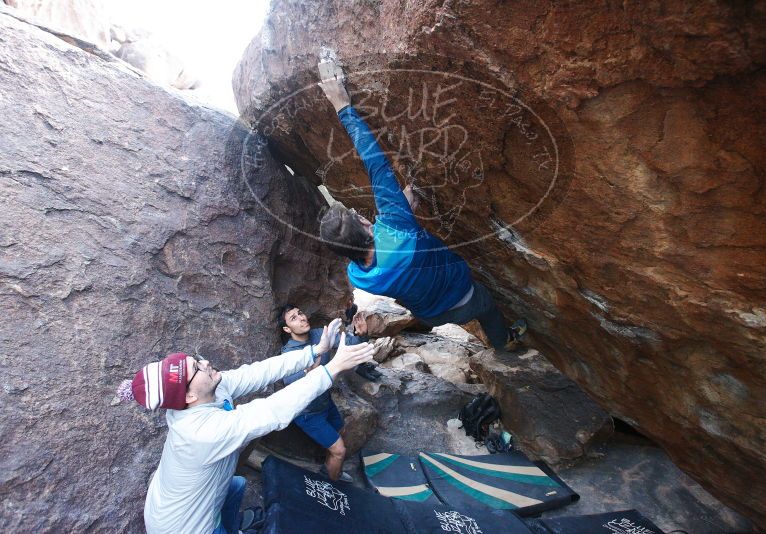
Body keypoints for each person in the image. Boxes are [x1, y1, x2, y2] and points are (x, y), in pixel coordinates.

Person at [317, 69, 526, 350]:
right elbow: (375, 163)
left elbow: (378, 246)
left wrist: (401, 213)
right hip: (465, 296)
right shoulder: (396, 224)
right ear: (366, 227)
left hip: (431, 314)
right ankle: (506, 342)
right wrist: (342, 107)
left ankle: (497, 342)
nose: (365, 217)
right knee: (487, 307)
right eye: (359, 217)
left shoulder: (358, 275)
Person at [116, 318, 375, 534]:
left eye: (195, 359)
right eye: (197, 367)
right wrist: (332, 369)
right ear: (189, 397)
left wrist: (314, 352)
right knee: (224, 505)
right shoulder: (202, 433)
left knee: (236, 485)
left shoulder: (209, 391)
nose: (205, 362)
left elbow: (257, 372)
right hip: (184, 526)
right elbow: (273, 410)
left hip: (179, 497)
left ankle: (235, 525)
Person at [278, 304, 378, 483]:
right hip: (307, 413)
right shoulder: (289, 354)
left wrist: (361, 334)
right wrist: (309, 373)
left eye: (300, 312)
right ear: (287, 329)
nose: (301, 317)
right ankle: (331, 486)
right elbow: (292, 385)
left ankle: (328, 468)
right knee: (339, 451)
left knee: (340, 430)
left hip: (325, 402)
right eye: (293, 318)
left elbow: (349, 345)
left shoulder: (319, 335)